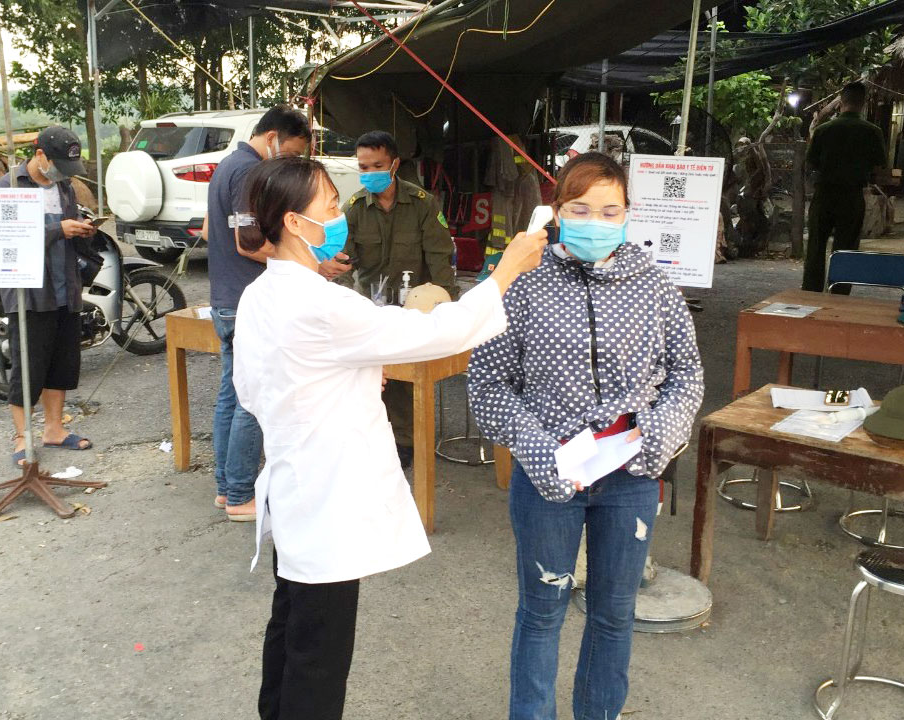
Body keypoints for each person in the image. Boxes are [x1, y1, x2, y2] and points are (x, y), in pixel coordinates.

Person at [230, 156, 546, 720]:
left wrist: (341, 381)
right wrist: (506, 272)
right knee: (319, 652)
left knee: (292, 624)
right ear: (295, 223)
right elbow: (438, 331)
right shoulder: (324, 304)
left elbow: (253, 390)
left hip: (295, 487)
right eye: (330, 206)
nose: (338, 215)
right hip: (327, 499)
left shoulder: (262, 294)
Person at [467, 152, 704, 720]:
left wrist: (658, 435)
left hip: (631, 476)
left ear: (627, 213)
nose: (595, 221)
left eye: (609, 210)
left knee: (614, 613)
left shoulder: (656, 287)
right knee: (542, 611)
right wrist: (537, 449)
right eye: (580, 209)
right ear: (556, 211)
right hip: (548, 474)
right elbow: (487, 383)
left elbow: (687, 375)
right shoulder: (522, 285)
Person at [324, 130, 459, 467]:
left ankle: (406, 440)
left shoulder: (423, 204)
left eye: (377, 166)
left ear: (395, 164)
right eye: (363, 167)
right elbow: (341, 263)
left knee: (406, 380)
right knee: (369, 376)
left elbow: (440, 260)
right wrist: (337, 304)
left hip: (413, 308)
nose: (370, 173)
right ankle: (372, 437)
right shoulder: (354, 209)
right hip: (370, 308)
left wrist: (447, 309)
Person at [203, 104, 311, 521]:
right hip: (245, 301)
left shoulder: (226, 166)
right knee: (253, 399)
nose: (290, 163)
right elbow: (247, 243)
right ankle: (240, 495)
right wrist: (309, 263)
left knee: (231, 395)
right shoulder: (250, 171)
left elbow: (212, 231)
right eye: (291, 153)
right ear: (272, 138)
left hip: (225, 297)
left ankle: (224, 486)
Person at [0, 126, 95, 467]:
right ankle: (21, 437)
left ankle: (54, 429)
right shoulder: (10, 186)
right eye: (58, 165)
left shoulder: (63, 186)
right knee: (29, 366)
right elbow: (5, 237)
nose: (63, 174)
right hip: (29, 290)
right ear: (40, 155)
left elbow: (67, 226)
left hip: (64, 284)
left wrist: (81, 226)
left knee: (61, 362)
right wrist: (58, 229)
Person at [802, 81, 887, 293]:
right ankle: (839, 294)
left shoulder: (823, 130)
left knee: (815, 246)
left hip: (824, 194)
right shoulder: (873, 132)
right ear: (863, 103)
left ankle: (811, 293)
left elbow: (810, 163)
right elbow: (879, 166)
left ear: (841, 101)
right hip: (852, 196)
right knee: (846, 248)